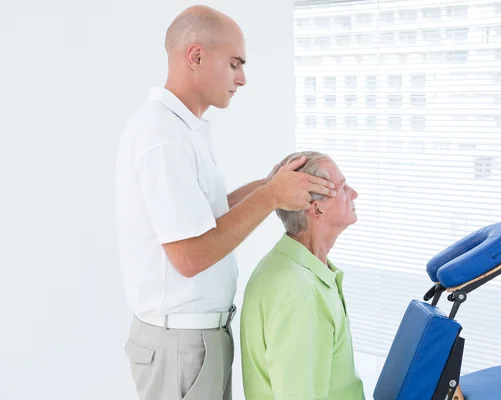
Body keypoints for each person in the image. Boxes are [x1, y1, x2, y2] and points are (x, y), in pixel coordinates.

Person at [114, 6, 336, 400]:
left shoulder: (184, 131)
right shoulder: (164, 136)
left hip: (196, 339)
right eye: (235, 64)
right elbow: (190, 256)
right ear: (195, 57)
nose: (242, 78)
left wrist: (267, 185)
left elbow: (206, 220)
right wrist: (270, 196)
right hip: (179, 345)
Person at [240, 151, 365, 400]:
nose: (354, 194)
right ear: (316, 210)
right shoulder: (299, 294)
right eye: (342, 188)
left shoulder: (300, 269)